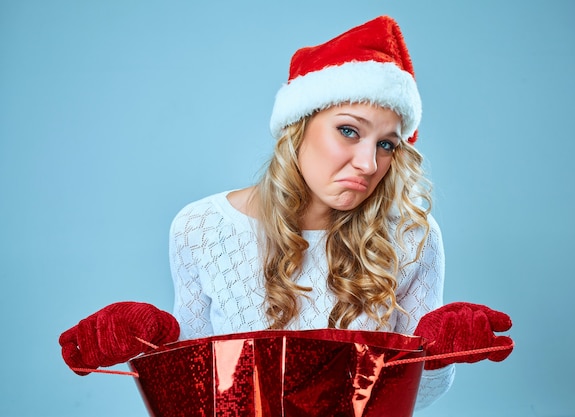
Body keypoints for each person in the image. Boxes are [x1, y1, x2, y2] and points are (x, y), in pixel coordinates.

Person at [59, 15, 513, 414]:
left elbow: (416, 397)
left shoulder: (412, 236)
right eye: (349, 130)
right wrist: (150, 347)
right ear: (298, 127)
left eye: (387, 144)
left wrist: (435, 353)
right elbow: (202, 395)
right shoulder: (201, 227)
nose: (369, 164)